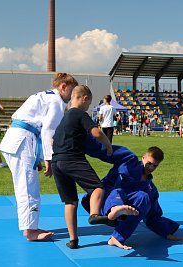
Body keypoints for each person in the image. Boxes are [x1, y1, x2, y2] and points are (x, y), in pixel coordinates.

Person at [0, 73, 78, 241]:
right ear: (63, 86)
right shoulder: (56, 100)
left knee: (27, 186)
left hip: (20, 140)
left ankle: (30, 227)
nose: (72, 97)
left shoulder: (44, 96)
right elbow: (48, 131)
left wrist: (39, 156)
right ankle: (30, 231)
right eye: (71, 91)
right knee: (28, 188)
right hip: (23, 141)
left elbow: (41, 130)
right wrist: (49, 158)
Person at [52, 85, 127, 249]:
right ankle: (94, 215)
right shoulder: (79, 113)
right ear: (84, 98)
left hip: (57, 161)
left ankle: (73, 240)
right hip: (72, 158)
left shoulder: (64, 118)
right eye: (89, 104)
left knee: (70, 202)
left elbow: (53, 140)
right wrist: (108, 145)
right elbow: (96, 133)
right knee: (98, 188)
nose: (88, 107)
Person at [83, 140, 183, 250]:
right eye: (149, 163)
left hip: (123, 212)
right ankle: (114, 210)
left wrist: (166, 232)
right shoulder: (128, 160)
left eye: (155, 166)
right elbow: (106, 151)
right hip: (105, 201)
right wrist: (82, 143)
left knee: (143, 197)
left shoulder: (150, 188)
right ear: (143, 157)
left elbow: (153, 216)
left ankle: (117, 237)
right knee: (118, 192)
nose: (151, 168)